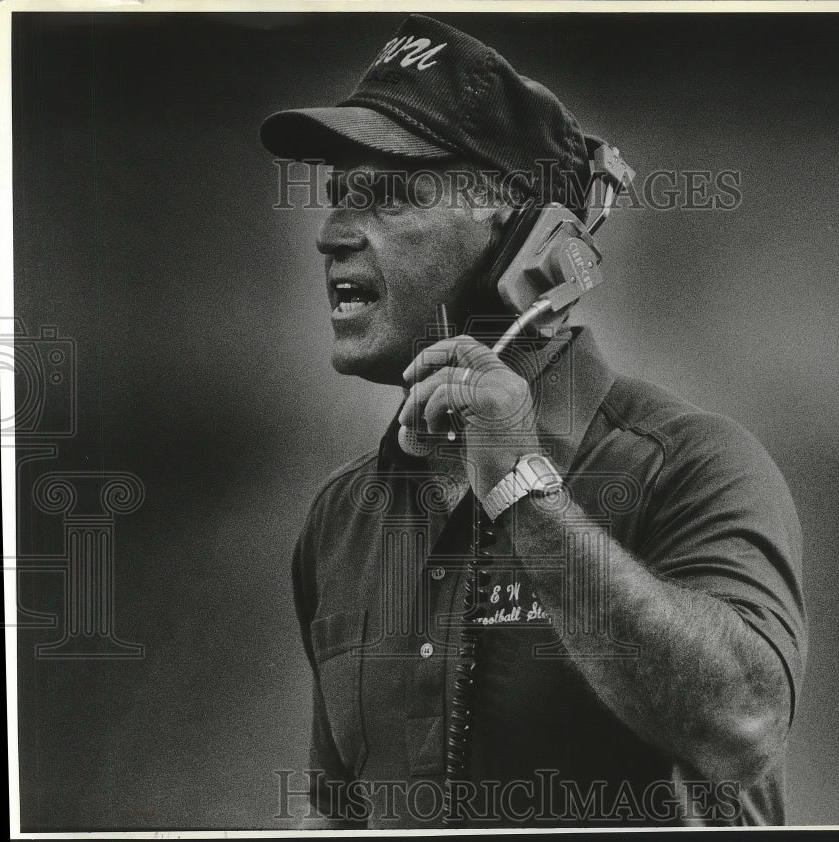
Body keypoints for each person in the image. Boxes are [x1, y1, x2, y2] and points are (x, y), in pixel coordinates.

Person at [261, 13, 806, 829]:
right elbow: (336, 808)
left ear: (531, 240)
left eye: (388, 196)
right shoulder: (342, 518)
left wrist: (522, 489)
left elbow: (745, 726)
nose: (332, 234)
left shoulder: (694, 465)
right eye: (339, 197)